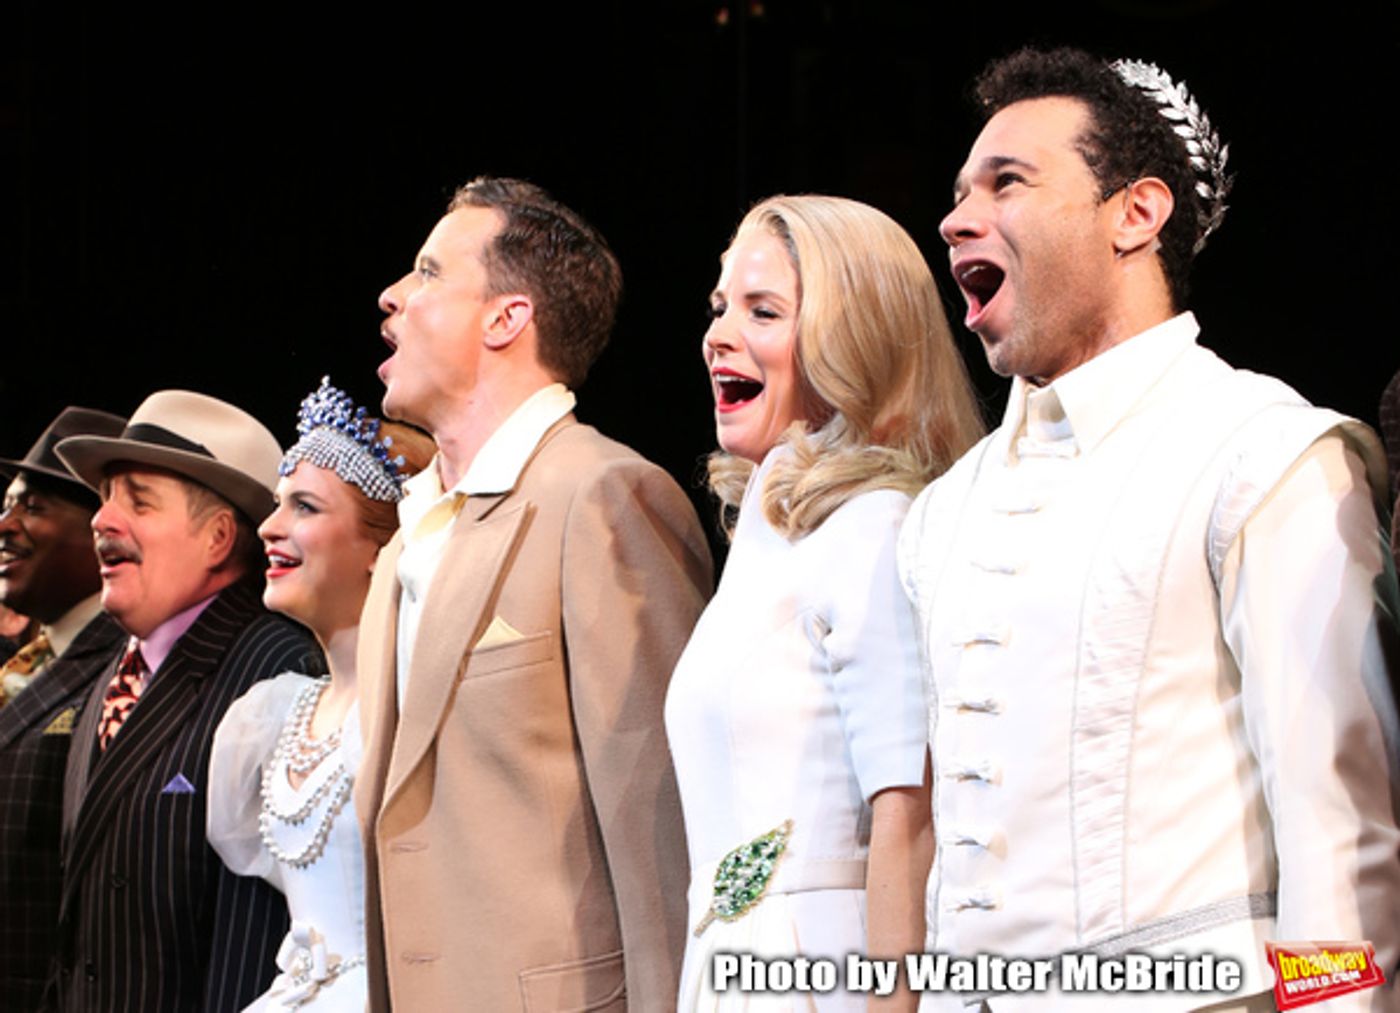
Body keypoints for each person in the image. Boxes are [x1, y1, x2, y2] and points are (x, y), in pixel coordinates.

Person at [899, 47, 1400, 1011]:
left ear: (1136, 213)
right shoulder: (940, 514)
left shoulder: (1262, 452)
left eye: (1007, 182)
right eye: (960, 191)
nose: (958, 216)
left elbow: (1338, 831)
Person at [358, 176, 714, 1012]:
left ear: (506, 318)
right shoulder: (410, 536)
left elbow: (659, 829)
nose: (393, 297)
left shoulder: (604, 494)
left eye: (428, 272)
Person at [665, 194, 984, 1012]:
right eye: (721, 305)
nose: (719, 334)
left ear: (854, 341)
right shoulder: (766, 542)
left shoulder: (875, 526)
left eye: (763, 310)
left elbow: (907, 818)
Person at [49, 390, 325, 1013]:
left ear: (218, 538)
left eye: (138, 502)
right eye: (105, 498)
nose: (102, 521)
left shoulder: (273, 673)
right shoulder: (109, 680)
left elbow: (254, 946)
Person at [208, 377, 434, 1010]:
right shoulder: (273, 715)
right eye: (279, 505)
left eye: (304, 507)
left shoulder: (418, 709)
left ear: (379, 545)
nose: (270, 529)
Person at [0, 407, 127, 1010]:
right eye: (7, 504)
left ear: (101, 527)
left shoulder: (127, 667)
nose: (6, 525)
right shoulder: (24, 662)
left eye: (33, 507)